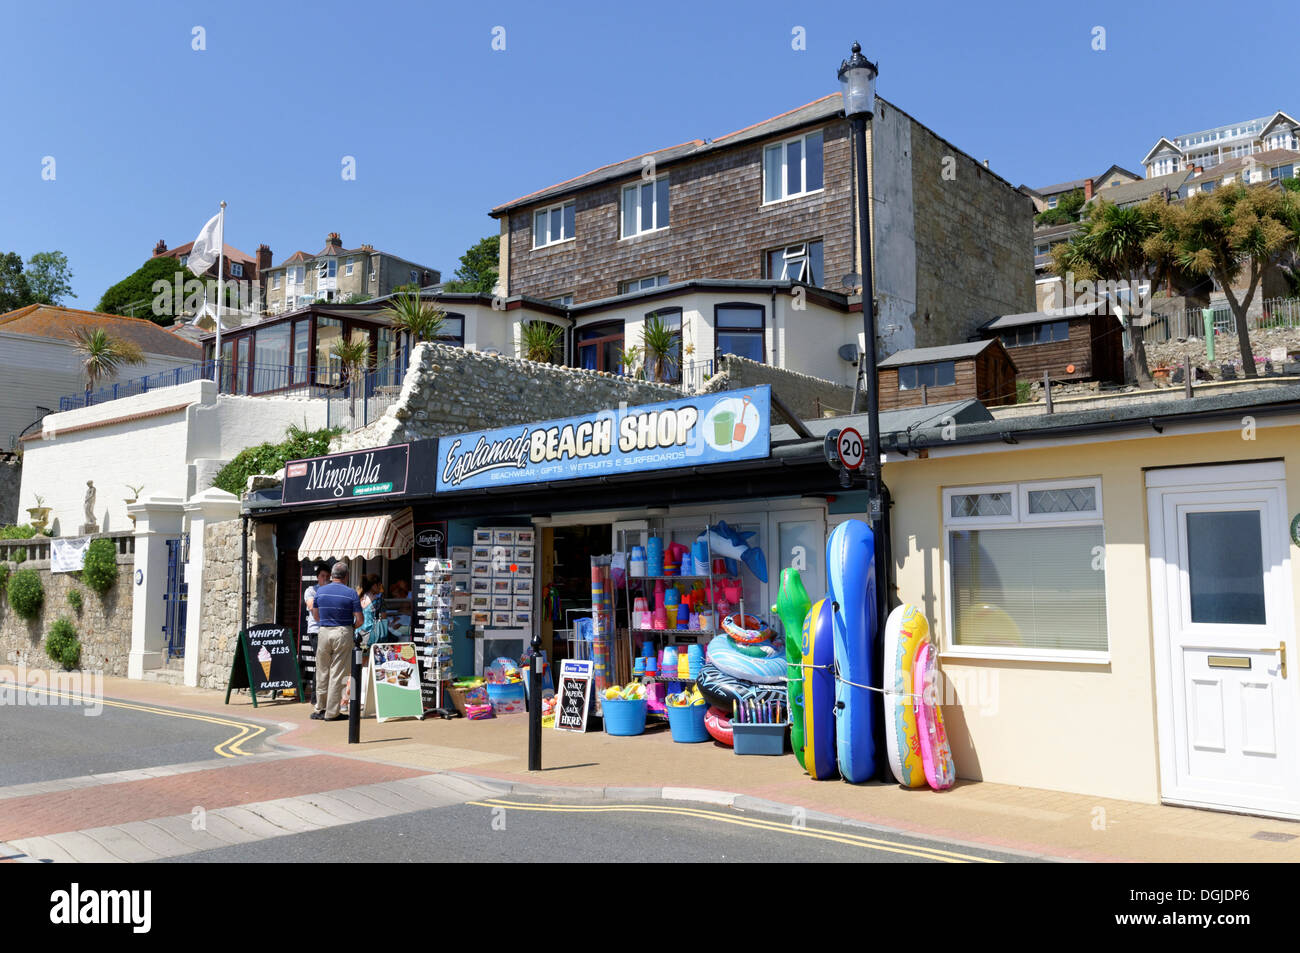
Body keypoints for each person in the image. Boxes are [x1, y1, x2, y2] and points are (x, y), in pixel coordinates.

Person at [310, 561, 363, 721]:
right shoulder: (351, 593)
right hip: (343, 631)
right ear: (346, 576)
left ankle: (320, 708)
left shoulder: (320, 591)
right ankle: (332, 713)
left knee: (322, 671)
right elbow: (360, 619)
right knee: (337, 673)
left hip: (324, 631)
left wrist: (324, 624)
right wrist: (351, 628)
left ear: (332, 575)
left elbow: (315, 615)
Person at [302, 564, 331, 698]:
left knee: (328, 663)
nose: (325, 579)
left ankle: (326, 695)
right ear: (318, 577)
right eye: (322, 576)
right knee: (320, 662)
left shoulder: (331, 590)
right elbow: (312, 606)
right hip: (316, 631)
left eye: (327, 576)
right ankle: (315, 697)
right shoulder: (311, 590)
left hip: (330, 630)